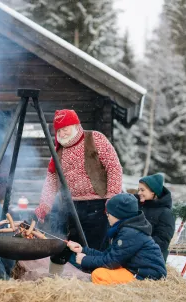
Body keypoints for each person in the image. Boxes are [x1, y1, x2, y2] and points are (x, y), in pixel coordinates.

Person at [34, 109, 123, 275]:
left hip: (99, 203)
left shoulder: (95, 138)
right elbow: (51, 180)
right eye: (59, 130)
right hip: (70, 205)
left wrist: (112, 199)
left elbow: (114, 168)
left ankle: (95, 280)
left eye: (65, 127)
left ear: (76, 125)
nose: (62, 132)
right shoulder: (58, 150)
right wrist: (44, 205)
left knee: (95, 246)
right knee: (66, 246)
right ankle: (63, 280)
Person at [67, 193, 167, 285]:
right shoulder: (127, 229)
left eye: (109, 213)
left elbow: (111, 262)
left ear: (119, 215)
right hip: (135, 268)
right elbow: (108, 255)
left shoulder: (130, 233)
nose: (107, 215)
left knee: (99, 274)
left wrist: (85, 260)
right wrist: (83, 250)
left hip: (148, 276)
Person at [137, 174, 175, 262]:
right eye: (138, 189)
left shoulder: (165, 213)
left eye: (142, 190)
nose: (139, 193)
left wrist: (138, 244)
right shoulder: (138, 206)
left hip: (151, 259)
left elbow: (162, 241)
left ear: (153, 192)